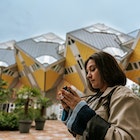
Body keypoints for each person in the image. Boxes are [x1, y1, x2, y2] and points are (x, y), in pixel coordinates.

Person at [57, 51, 140, 140]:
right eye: (87, 72)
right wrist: (70, 109)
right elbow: (80, 133)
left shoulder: (124, 96)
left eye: (92, 69)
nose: (88, 75)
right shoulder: (93, 99)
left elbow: (126, 137)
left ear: (107, 69)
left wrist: (84, 113)